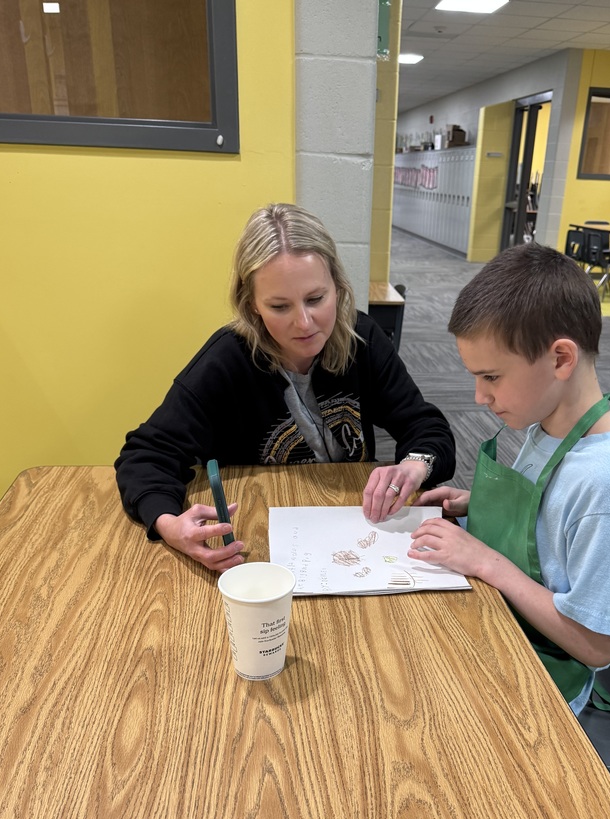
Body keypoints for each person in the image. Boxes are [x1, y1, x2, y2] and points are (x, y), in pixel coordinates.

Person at [115, 203, 456, 571]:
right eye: (279, 306)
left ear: (338, 289)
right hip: (261, 544)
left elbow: (428, 429)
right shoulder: (226, 360)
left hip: (359, 532)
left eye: (316, 299)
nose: (304, 323)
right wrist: (170, 525)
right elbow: (145, 455)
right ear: (252, 306)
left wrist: (414, 467)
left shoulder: (362, 338)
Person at [408, 243, 610, 716]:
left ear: (561, 359)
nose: (480, 397)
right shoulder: (547, 424)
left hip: (546, 676)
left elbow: (598, 646)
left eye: (492, 377)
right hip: (507, 624)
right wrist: (473, 504)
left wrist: (487, 562)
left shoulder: (606, 483)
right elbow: (547, 522)